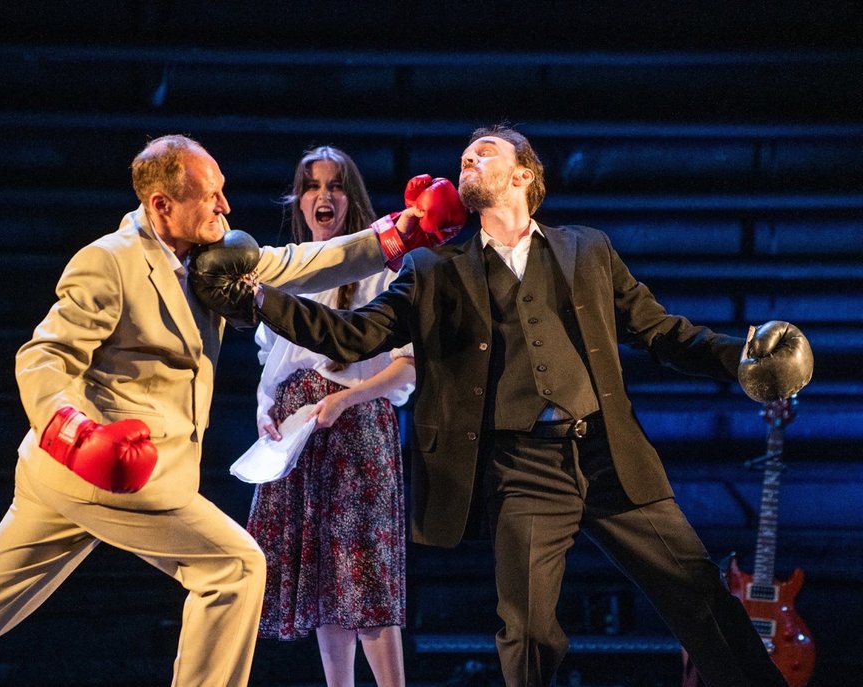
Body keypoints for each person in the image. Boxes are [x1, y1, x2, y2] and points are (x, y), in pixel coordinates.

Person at [195, 124, 814, 687]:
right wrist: (259, 298)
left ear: (523, 174)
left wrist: (742, 359)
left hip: (608, 454)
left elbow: (663, 332)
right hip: (523, 469)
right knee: (528, 634)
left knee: (701, 597)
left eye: (484, 153)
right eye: (464, 156)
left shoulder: (587, 250)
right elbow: (353, 335)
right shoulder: (435, 269)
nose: (467, 159)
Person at [0, 134, 465, 687]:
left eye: (223, 191)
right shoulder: (109, 261)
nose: (225, 207)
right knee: (237, 568)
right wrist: (75, 434)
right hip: (103, 468)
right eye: (210, 196)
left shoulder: (215, 259)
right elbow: (43, 357)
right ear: (163, 205)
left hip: (80, 478)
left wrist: (402, 231)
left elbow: (308, 262)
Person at [249, 146, 416, 687]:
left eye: (336, 186)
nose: (324, 196)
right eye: (313, 186)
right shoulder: (284, 269)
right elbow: (272, 364)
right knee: (325, 580)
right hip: (298, 435)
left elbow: (408, 368)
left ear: (352, 198)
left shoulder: (381, 268)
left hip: (356, 431)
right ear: (299, 201)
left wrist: (346, 399)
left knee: (364, 577)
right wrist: (264, 413)